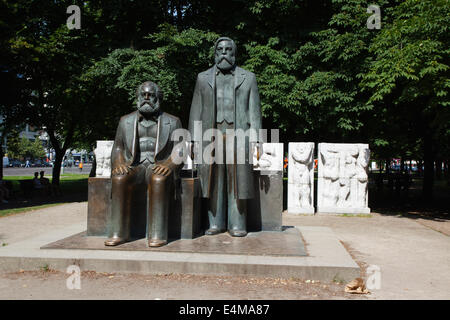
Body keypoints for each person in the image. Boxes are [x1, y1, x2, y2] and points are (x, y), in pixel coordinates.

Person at [188, 37, 262, 237]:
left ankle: (237, 224)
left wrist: (257, 139)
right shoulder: (202, 78)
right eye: (220, 49)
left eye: (228, 50)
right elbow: (196, 109)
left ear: (234, 53)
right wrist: (193, 139)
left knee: (238, 181)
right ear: (214, 53)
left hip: (239, 135)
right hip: (210, 135)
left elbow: (254, 110)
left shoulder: (249, 77)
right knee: (213, 181)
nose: (224, 53)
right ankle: (215, 223)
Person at [104, 81, 184, 247]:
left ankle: (157, 234)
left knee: (158, 179)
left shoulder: (173, 121)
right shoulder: (125, 121)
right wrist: (119, 163)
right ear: (138, 97)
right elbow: (118, 147)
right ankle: (119, 233)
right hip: (135, 166)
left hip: (159, 165)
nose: (146, 98)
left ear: (158, 98)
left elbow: (180, 150)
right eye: (143, 95)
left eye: (151, 95)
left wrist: (169, 165)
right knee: (119, 178)